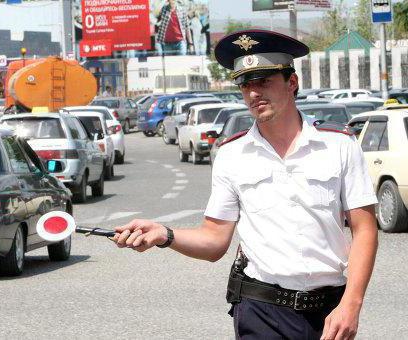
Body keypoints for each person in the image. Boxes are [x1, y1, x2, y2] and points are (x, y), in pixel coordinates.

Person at [113, 29, 378, 340]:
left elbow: (364, 229)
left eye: (264, 81)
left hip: (329, 310)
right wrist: (165, 234)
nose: (254, 93)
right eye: (245, 84)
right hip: (261, 310)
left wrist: (352, 304)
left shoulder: (339, 146)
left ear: (292, 83)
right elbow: (214, 240)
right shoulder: (231, 155)